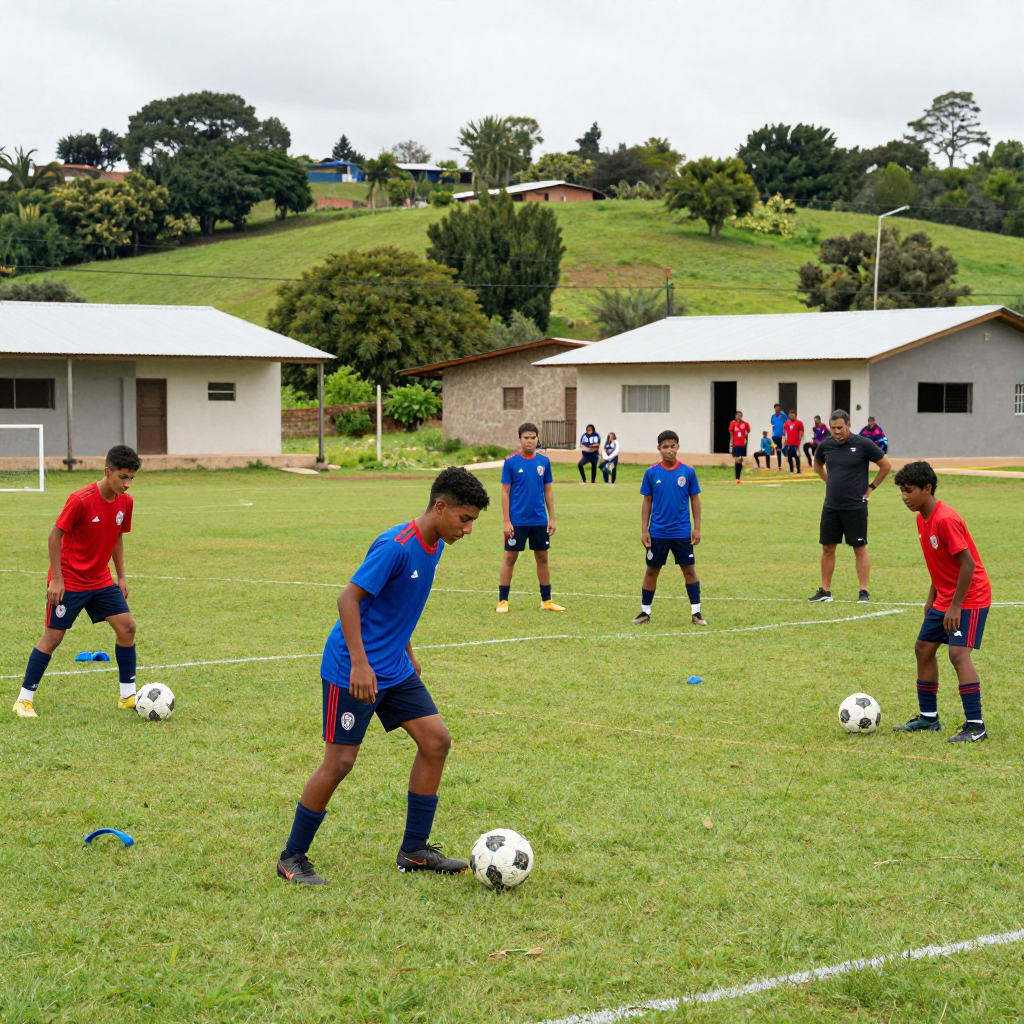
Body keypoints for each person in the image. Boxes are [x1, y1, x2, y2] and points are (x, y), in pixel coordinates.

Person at [276, 467, 491, 886]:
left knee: (437, 741)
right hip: (352, 670)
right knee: (340, 762)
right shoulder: (396, 546)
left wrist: (408, 650)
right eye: (464, 519)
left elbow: (399, 605)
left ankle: (414, 850)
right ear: (440, 507)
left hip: (393, 666)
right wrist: (359, 662)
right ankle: (292, 857)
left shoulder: (436, 544)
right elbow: (349, 599)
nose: (467, 530)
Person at [13, 445, 142, 719]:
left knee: (127, 628)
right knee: (53, 638)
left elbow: (117, 536)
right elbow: (54, 536)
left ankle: (127, 696)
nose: (127, 484)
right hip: (70, 580)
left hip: (101, 579)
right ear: (107, 472)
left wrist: (120, 576)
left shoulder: (125, 502)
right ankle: (24, 700)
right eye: (122, 477)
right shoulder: (81, 499)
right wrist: (57, 579)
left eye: (132, 478)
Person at [892, 462, 991, 743]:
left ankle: (976, 726)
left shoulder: (945, 519)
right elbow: (940, 565)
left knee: (958, 655)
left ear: (927, 489)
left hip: (970, 596)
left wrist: (956, 605)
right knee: (923, 648)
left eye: (909, 491)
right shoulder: (921, 518)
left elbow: (967, 565)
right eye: (901, 491)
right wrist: (931, 599)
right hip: (945, 597)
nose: (905, 497)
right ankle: (928, 718)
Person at [808, 409, 891, 604]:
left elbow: (885, 465)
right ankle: (825, 592)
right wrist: (829, 482)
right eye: (832, 428)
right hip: (831, 506)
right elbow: (817, 466)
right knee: (827, 547)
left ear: (848, 424)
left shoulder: (863, 444)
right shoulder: (825, 446)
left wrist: (871, 488)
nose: (836, 432)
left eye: (839, 427)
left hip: (855, 507)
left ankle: (863, 592)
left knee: (859, 547)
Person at [633, 430, 707, 627]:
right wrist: (644, 530)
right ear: (659, 449)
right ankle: (645, 612)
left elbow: (695, 500)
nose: (669, 450)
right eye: (665, 447)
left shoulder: (688, 472)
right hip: (658, 532)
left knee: (689, 570)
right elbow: (647, 502)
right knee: (651, 571)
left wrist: (697, 528)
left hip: (682, 531)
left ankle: (696, 613)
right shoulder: (651, 472)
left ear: (678, 447)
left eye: (672, 446)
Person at [497, 422, 565, 614]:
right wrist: (506, 520)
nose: (530, 441)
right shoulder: (510, 462)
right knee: (510, 557)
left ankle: (547, 601)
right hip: (517, 520)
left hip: (539, 520)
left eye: (533, 437)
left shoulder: (544, 462)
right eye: (526, 437)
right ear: (519, 439)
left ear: (537, 439)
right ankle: (503, 601)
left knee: (543, 558)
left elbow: (548, 492)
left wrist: (552, 518)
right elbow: (505, 492)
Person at [727, 410, 751, 483]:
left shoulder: (745, 424)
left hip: (742, 444)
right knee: (737, 459)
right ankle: (737, 478)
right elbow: (731, 433)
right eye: (738, 415)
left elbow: (747, 431)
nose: (739, 417)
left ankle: (738, 478)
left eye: (740, 415)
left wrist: (745, 439)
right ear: (735, 416)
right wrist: (731, 443)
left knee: (740, 460)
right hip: (735, 444)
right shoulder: (733, 423)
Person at [782, 410, 804, 474]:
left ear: (795, 415)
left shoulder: (799, 423)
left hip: (796, 443)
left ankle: (798, 470)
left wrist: (799, 441)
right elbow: (784, 432)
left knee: (796, 457)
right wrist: (784, 440)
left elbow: (801, 432)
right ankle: (791, 470)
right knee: (789, 457)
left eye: (792, 415)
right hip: (788, 443)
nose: (791, 417)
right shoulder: (787, 423)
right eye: (790, 415)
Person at [770, 403, 787, 470]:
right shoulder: (773, 416)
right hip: (775, 435)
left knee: (779, 449)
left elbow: (787, 421)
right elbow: (772, 423)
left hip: (782, 434)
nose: (777, 408)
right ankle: (781, 449)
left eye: (778, 407)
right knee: (778, 447)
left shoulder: (783, 415)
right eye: (776, 407)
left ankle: (779, 465)